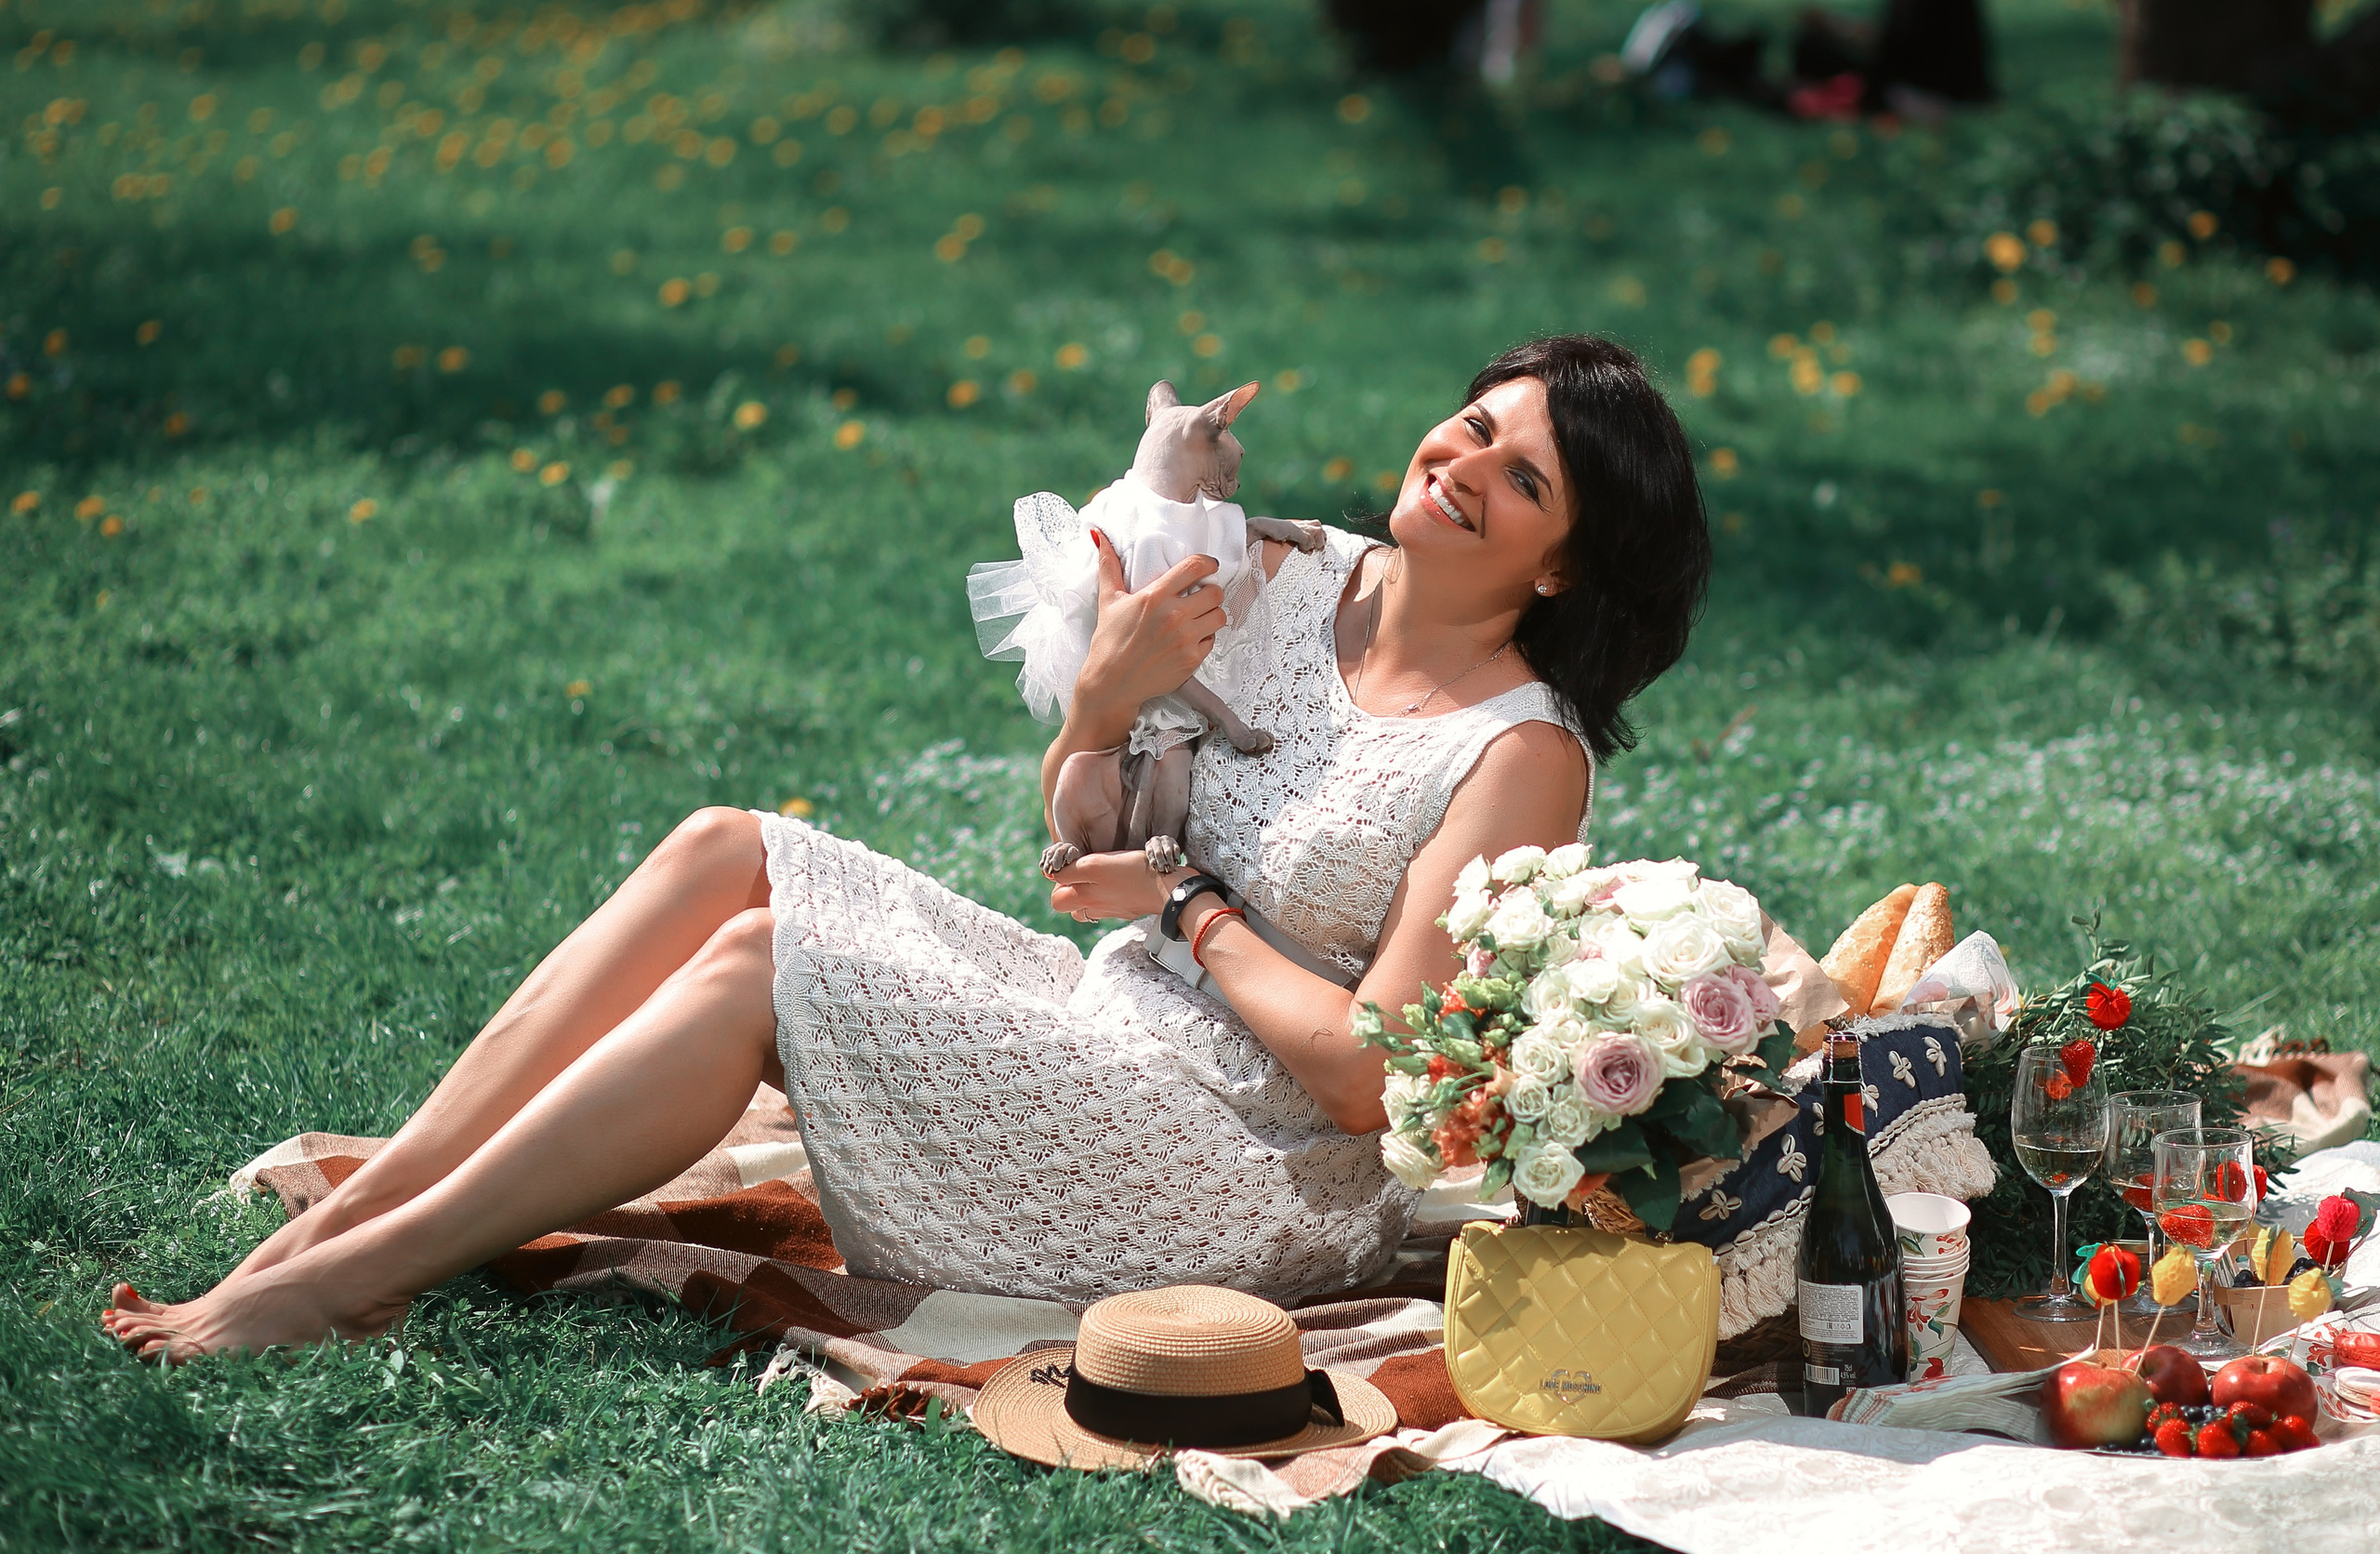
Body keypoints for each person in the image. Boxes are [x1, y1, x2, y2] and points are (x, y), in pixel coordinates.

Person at [102, 336, 1711, 1361]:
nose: (1461, 464)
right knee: (726, 846)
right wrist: (1102, 702)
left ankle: (347, 1278)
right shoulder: (1283, 572)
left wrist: (1196, 911)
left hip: (1249, 1173)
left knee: (761, 970)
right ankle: (361, 1216)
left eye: (1521, 478)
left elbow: (1375, 1079)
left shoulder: (1517, 755)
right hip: (1107, 1029)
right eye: (1473, 422)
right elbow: (1082, 831)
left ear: (1570, 567)